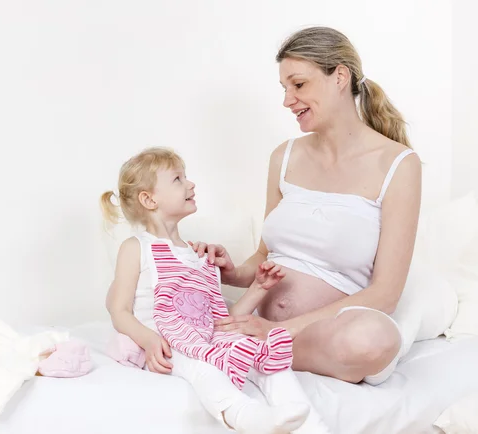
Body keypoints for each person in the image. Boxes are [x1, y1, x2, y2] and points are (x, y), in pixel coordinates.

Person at [191, 26, 422, 388]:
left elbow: (385, 294)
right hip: (264, 327)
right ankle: (256, 349)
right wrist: (230, 272)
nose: (287, 100)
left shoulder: (398, 165)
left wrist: (278, 331)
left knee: (374, 337)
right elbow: (265, 257)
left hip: (321, 335)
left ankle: (254, 349)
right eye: (284, 89)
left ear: (339, 77)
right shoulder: (284, 157)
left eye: (298, 85)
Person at [101, 147, 332, 434]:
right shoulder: (136, 248)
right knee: (203, 368)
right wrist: (148, 340)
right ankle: (246, 416)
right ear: (149, 199)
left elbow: (221, 321)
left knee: (264, 354)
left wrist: (259, 288)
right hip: (168, 344)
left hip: (208, 338)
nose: (190, 184)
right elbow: (119, 310)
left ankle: (310, 423)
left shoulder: (198, 255)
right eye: (177, 179)